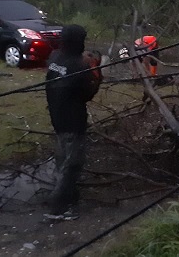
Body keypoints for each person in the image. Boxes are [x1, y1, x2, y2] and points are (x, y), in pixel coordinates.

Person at [44, 25, 103, 219]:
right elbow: (88, 94)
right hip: (73, 120)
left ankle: (69, 196)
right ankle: (58, 208)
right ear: (79, 41)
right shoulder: (80, 66)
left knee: (63, 160)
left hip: (57, 116)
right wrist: (97, 73)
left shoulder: (54, 57)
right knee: (73, 164)